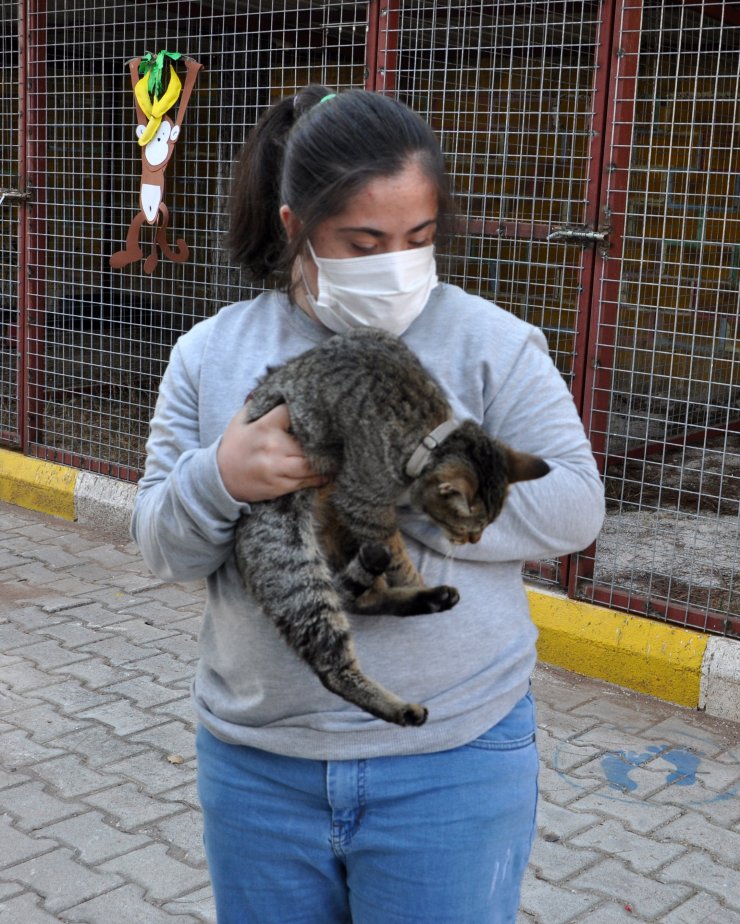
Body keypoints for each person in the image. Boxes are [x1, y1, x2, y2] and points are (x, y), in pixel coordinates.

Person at [131, 85, 605, 924]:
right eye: (364, 241)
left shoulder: (491, 343)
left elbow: (574, 507)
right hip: (259, 766)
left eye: (418, 238)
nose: (398, 262)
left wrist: (409, 495)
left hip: (451, 761)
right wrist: (223, 477)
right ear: (295, 227)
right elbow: (164, 547)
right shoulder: (211, 354)